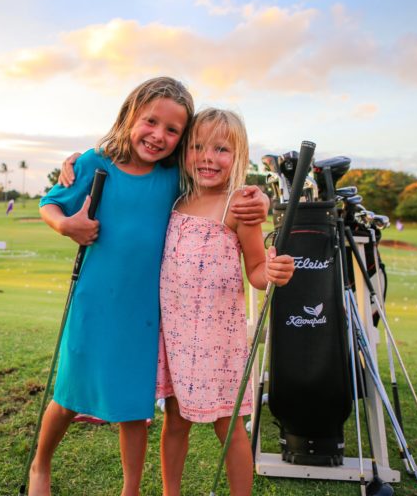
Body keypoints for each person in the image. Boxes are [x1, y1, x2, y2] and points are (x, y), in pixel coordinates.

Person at [30, 77, 267, 496]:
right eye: (150, 122)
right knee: (68, 394)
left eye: (173, 131)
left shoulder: (174, 176)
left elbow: (222, 181)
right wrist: (66, 224)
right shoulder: (95, 162)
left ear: (181, 139)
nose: (159, 135)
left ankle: (132, 489)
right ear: (129, 117)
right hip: (95, 302)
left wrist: (260, 199)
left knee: (134, 409)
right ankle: (40, 466)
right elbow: (51, 203)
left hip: (148, 314)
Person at [155, 108, 295, 496]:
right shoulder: (174, 200)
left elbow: (255, 270)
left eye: (221, 149)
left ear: (239, 157)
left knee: (228, 425)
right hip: (177, 337)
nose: (208, 158)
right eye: (197, 147)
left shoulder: (241, 206)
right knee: (175, 420)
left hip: (220, 340)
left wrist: (274, 272)